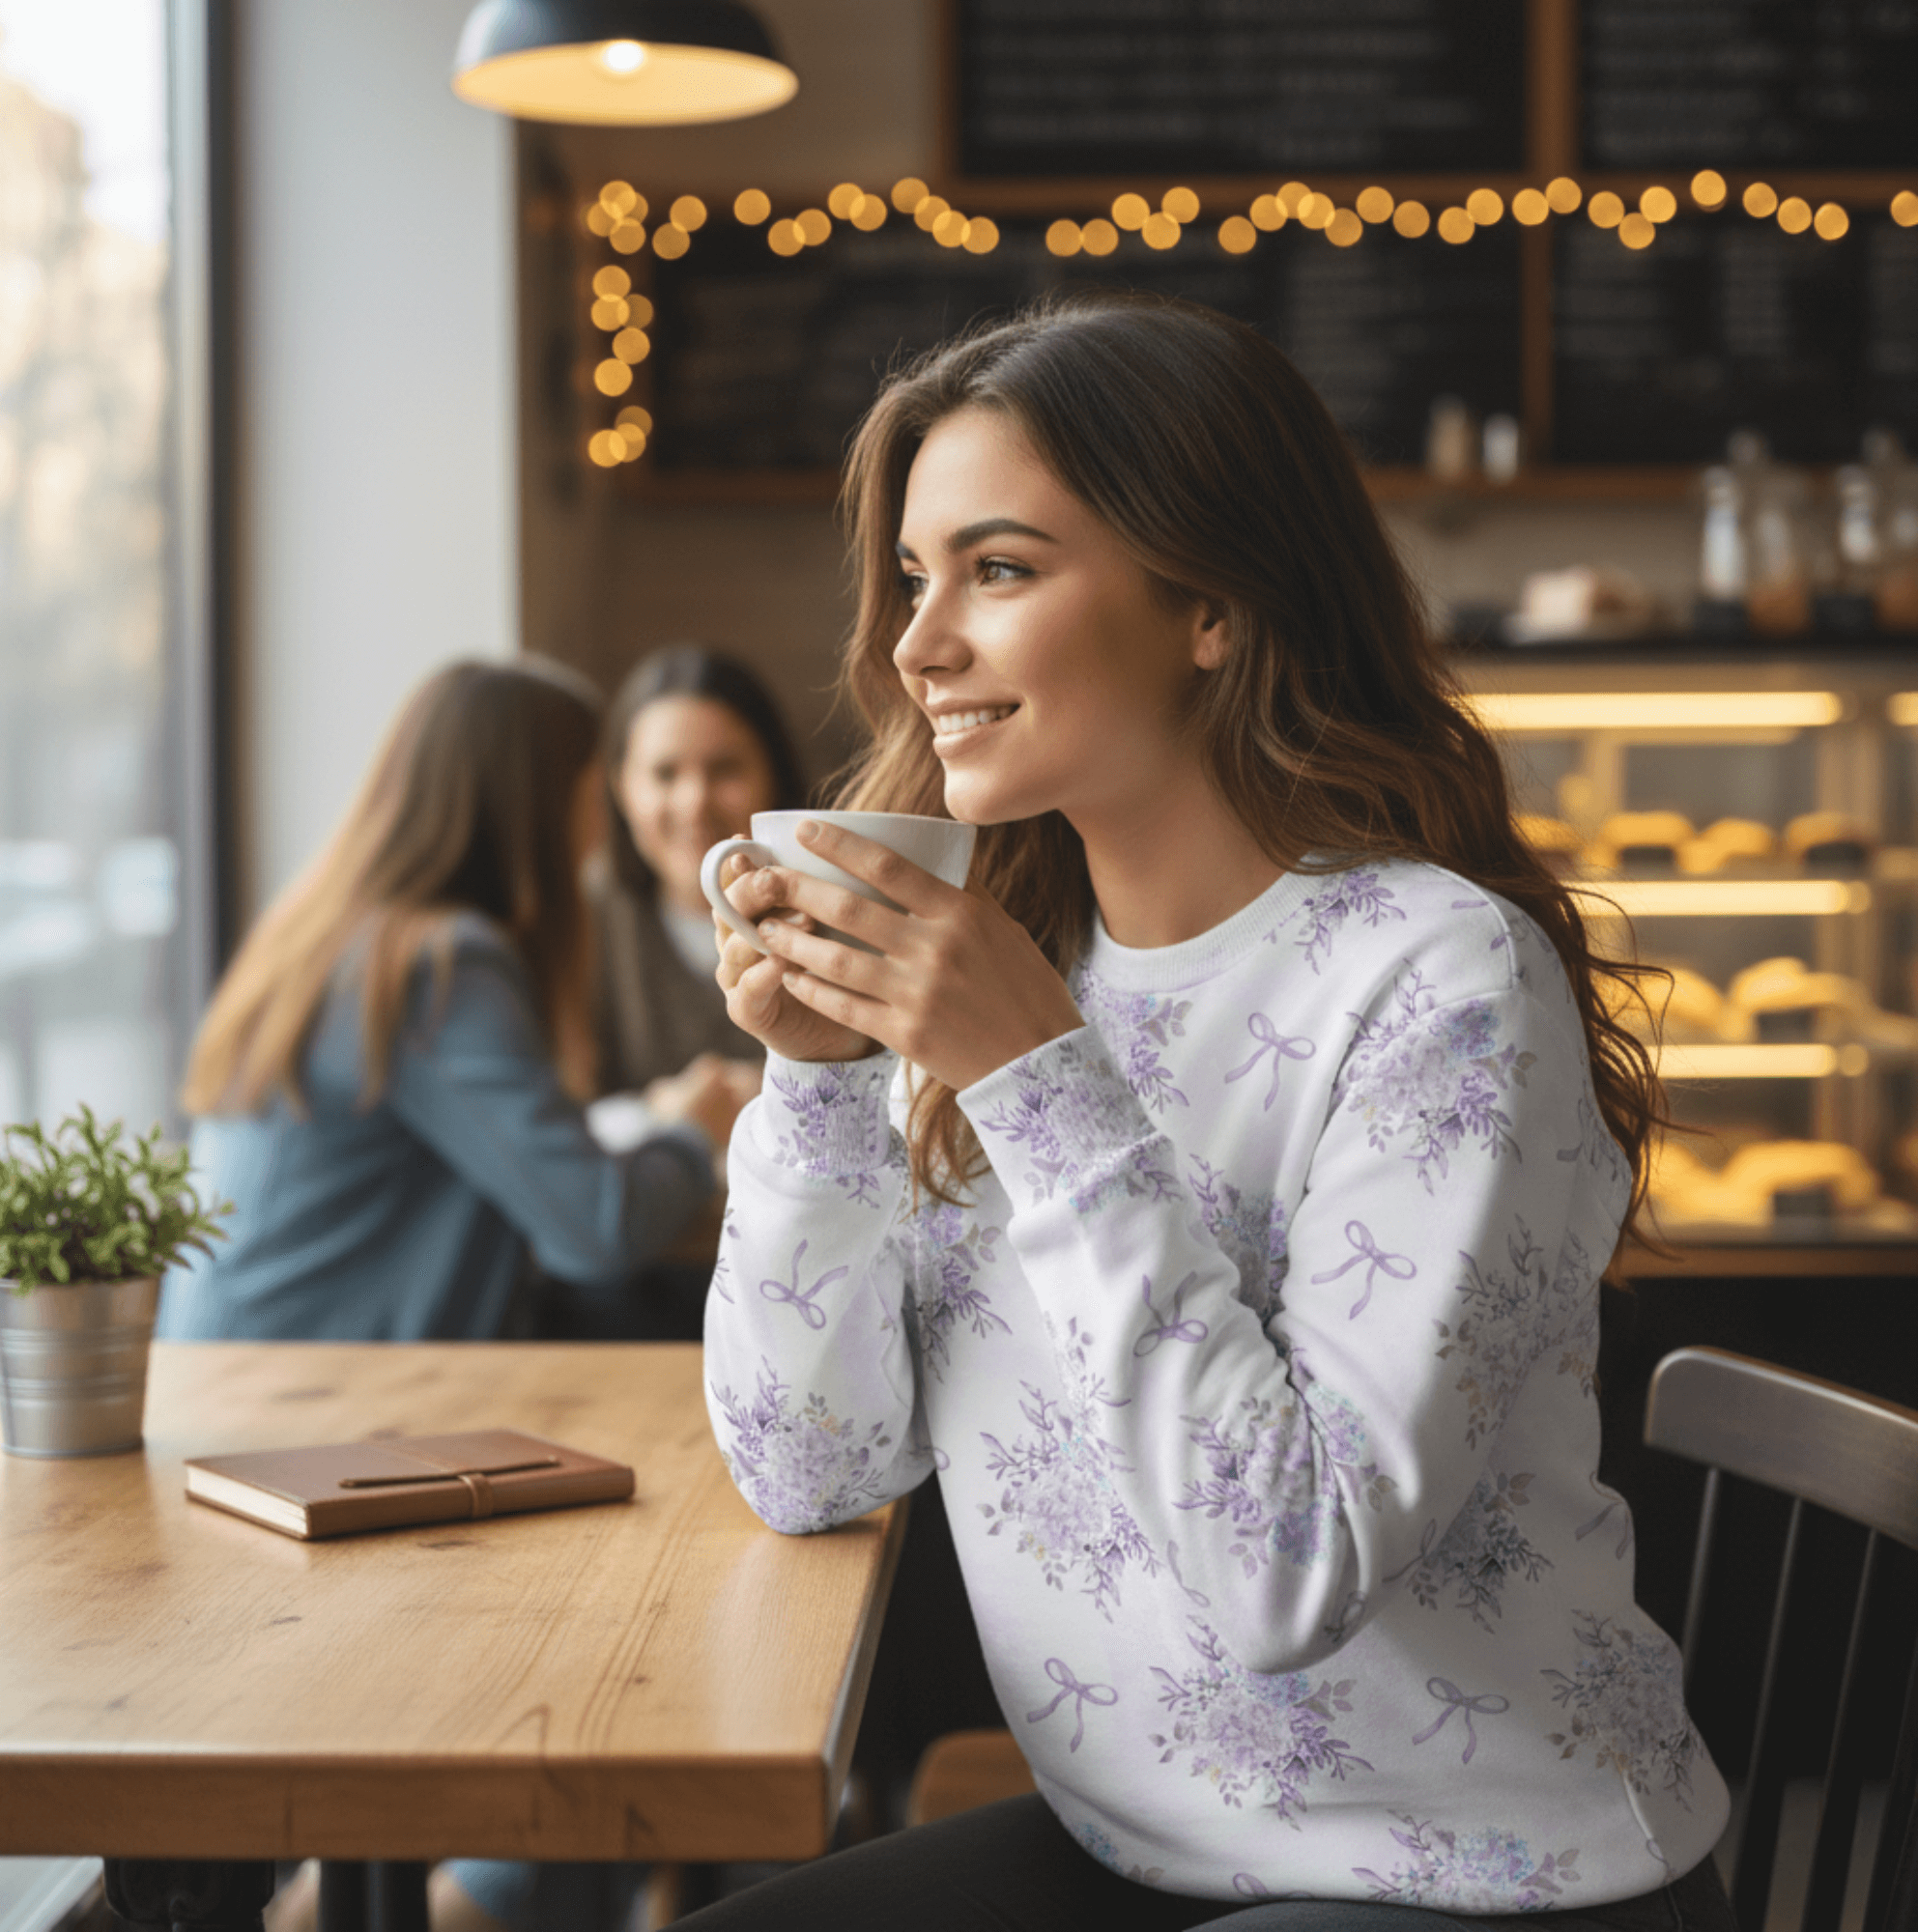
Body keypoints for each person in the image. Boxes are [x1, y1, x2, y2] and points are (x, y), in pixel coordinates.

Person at [687, 293, 1736, 1932]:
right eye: (913, 578)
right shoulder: (1016, 966)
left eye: (1002, 570)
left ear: (1213, 607)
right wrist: (816, 1080)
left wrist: (1038, 1083)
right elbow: (811, 1467)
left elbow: (1287, 1574)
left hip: (1485, 1877)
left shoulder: (1441, 978)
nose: (916, 644)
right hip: (1146, 1846)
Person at [162, 656, 737, 1347]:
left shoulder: (332, 934)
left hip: (233, 1375)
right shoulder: (438, 967)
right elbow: (597, 1227)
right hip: (308, 1404)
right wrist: (692, 1130)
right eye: (592, 792)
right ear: (540, 803)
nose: (601, 824)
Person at [533, 647, 805, 1343]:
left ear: (772, 774)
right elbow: (544, 1137)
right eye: (664, 774)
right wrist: (671, 1109)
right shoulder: (579, 925)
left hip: (800, 1273)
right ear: (619, 788)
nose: (694, 801)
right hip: (631, 1292)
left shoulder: (829, 921)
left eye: (725, 769)